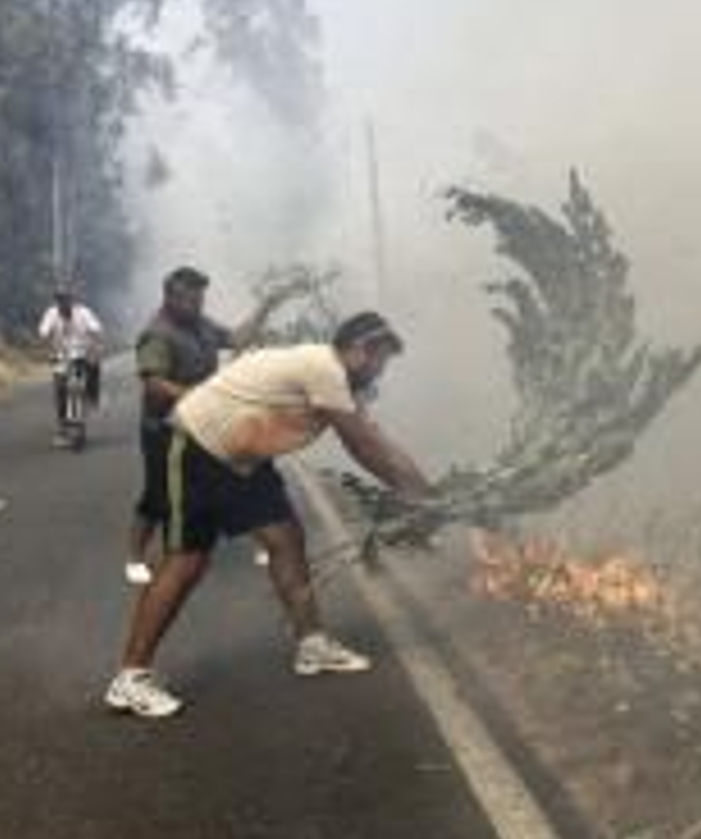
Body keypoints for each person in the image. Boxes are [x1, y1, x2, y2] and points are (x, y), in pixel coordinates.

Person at [104, 311, 433, 719]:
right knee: (186, 561)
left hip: (243, 457)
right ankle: (130, 677)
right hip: (198, 447)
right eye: (380, 358)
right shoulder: (324, 368)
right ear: (358, 350)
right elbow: (363, 447)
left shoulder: (341, 379)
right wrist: (415, 495)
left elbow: (378, 439)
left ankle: (312, 644)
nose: (382, 369)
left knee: (286, 539)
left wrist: (425, 492)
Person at [125, 265, 295, 585]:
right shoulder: (158, 334)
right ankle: (135, 556)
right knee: (158, 496)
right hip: (163, 427)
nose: (199, 306)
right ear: (172, 298)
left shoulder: (200, 324)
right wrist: (200, 394)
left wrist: (266, 307)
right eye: (192, 300)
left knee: (241, 471)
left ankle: (266, 539)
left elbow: (236, 338)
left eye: (201, 300)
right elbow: (154, 385)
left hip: (203, 423)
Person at [37, 284, 104, 445]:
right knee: (60, 389)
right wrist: (48, 351)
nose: (63, 304)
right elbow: (44, 334)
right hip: (60, 357)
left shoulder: (83, 313)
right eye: (60, 301)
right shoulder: (51, 314)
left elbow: (96, 330)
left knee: (82, 382)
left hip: (81, 355)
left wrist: (94, 349)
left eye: (66, 300)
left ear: (71, 301)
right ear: (56, 302)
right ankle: (62, 426)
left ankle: (89, 404)